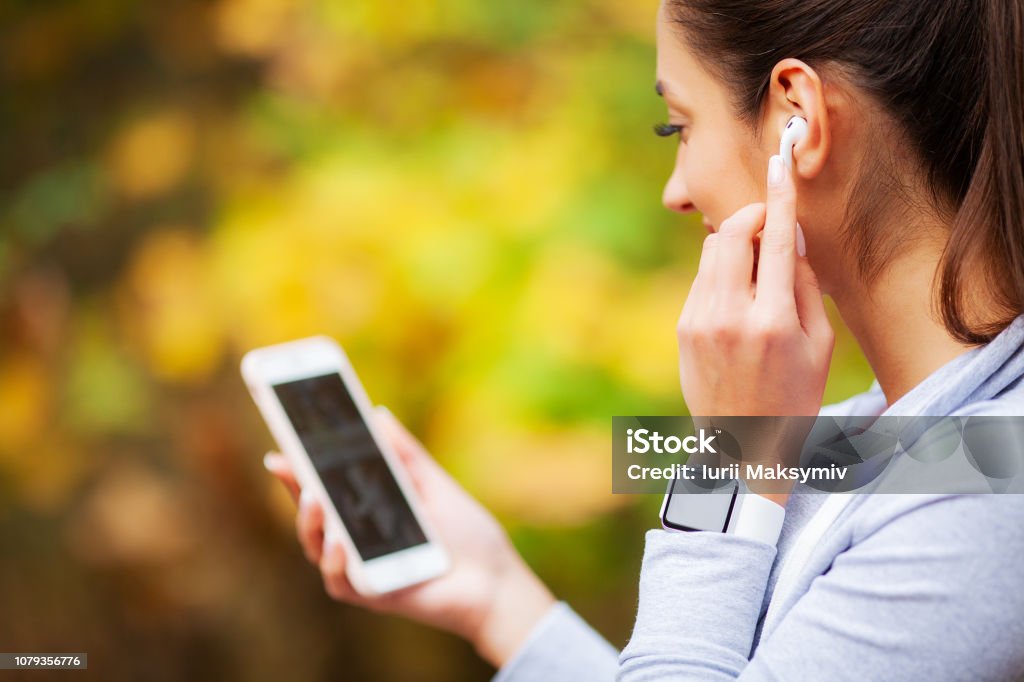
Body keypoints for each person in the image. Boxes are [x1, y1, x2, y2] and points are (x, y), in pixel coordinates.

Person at [264, 0, 1024, 678]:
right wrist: (495, 597)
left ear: (799, 119)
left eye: (680, 127)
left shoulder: (988, 504)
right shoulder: (913, 443)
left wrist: (731, 446)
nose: (675, 189)